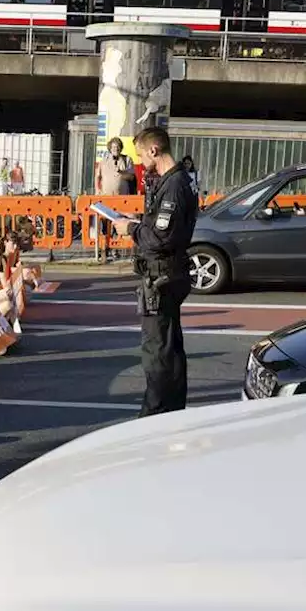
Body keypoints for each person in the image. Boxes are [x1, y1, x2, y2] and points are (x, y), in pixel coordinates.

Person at [112, 127, 198, 418]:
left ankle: (156, 413)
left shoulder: (173, 185)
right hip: (167, 273)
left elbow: (162, 237)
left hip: (161, 276)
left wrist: (131, 229)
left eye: (140, 155)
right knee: (169, 346)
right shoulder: (174, 180)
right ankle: (171, 409)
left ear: (154, 150)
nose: (139, 161)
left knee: (158, 349)